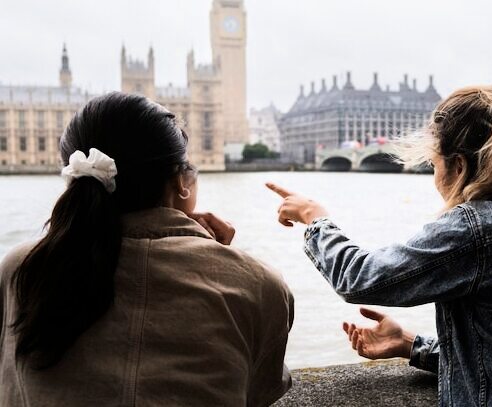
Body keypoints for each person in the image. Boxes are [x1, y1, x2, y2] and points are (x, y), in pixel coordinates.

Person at [267, 82, 492, 405]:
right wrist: (408, 345)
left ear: (459, 167)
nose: (435, 178)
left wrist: (315, 219)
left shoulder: (477, 228)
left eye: (435, 165)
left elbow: (360, 278)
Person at [0, 92, 293, 407]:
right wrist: (222, 259)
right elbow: (258, 389)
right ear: (181, 180)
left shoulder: (20, 269)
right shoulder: (259, 284)